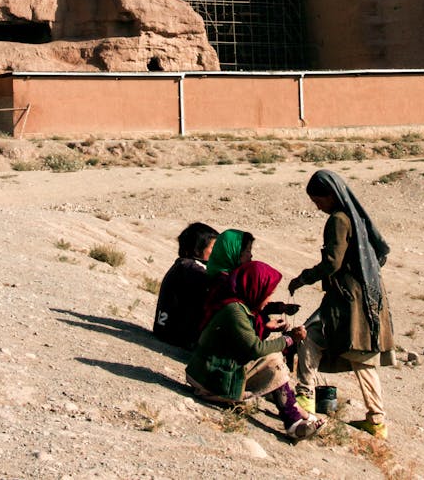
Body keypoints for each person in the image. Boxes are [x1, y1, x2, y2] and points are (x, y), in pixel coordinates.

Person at [288, 169, 395, 440]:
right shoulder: (354, 217)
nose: (317, 206)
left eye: (318, 200)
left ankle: (304, 402)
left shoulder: (338, 220)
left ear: (331, 195)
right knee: (363, 357)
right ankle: (377, 421)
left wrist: (304, 278)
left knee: (311, 338)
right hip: (367, 297)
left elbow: (332, 263)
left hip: (348, 302)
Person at [186, 260, 326, 440]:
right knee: (273, 359)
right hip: (208, 382)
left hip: (210, 373)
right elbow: (255, 348)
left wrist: (276, 319)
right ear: (256, 289)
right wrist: (290, 339)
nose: (268, 299)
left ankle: (298, 415)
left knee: (272, 359)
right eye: (268, 294)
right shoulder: (234, 312)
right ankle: (293, 421)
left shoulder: (237, 306)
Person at [153, 222, 218, 349]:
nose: (217, 253)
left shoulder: (183, 265)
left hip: (165, 330)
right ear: (197, 249)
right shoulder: (191, 268)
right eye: (214, 248)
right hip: (176, 336)